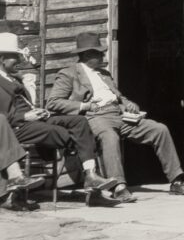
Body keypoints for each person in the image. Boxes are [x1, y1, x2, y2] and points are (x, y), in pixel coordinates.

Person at [46, 32, 184, 202]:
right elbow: (53, 103)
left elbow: (118, 97)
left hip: (119, 115)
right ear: (86, 54)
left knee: (159, 129)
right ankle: (119, 187)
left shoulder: (104, 74)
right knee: (109, 137)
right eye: (98, 52)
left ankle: (176, 181)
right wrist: (85, 105)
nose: (103, 55)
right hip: (95, 116)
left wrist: (128, 104)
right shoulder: (69, 74)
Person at [0, 33, 117, 197]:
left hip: (33, 119)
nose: (19, 61)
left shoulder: (14, 79)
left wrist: (39, 108)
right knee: (65, 133)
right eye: (15, 58)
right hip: (17, 127)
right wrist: (25, 117)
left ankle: (91, 175)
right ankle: (83, 148)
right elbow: (2, 117)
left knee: (80, 121)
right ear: (2, 59)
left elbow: (26, 103)